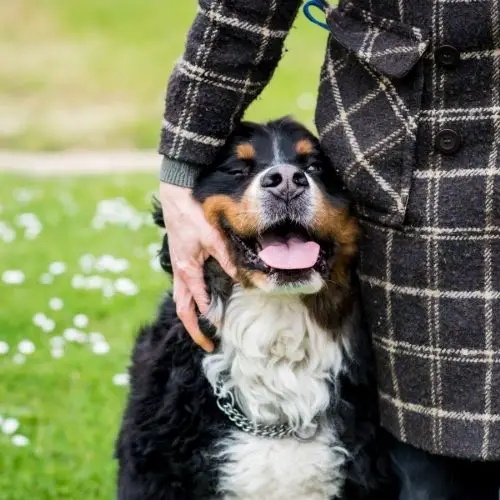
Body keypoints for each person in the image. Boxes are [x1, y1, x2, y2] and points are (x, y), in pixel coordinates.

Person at [159, 0, 500, 498]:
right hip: (408, 158)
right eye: (245, 171)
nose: (285, 182)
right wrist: (178, 169)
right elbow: (243, 13)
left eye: (311, 170)